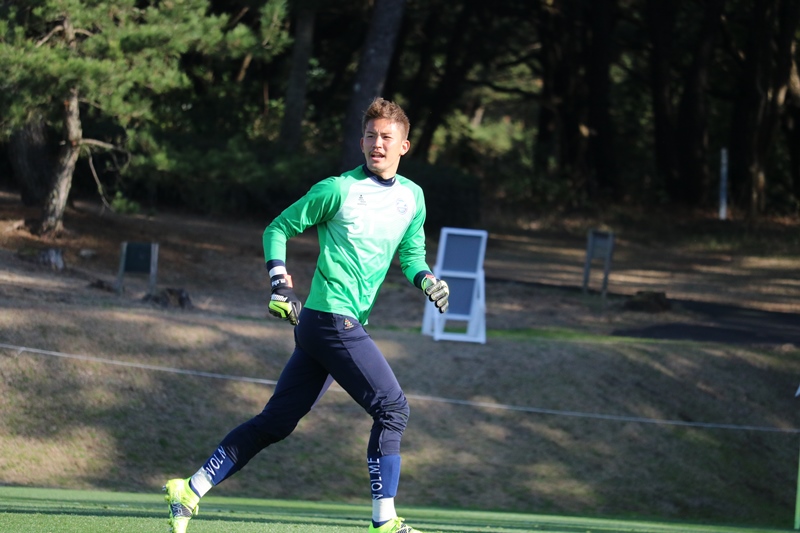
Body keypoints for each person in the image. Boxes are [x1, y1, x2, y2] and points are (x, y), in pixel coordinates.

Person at [163, 97, 450, 533]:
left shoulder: (412, 198)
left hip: (326, 327)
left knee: (276, 423)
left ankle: (188, 489)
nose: (377, 144)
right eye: (370, 136)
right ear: (361, 142)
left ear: (404, 146)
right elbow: (277, 228)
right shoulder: (338, 189)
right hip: (332, 320)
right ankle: (385, 522)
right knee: (393, 409)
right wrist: (280, 282)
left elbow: (411, 255)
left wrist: (427, 280)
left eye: (386, 137)